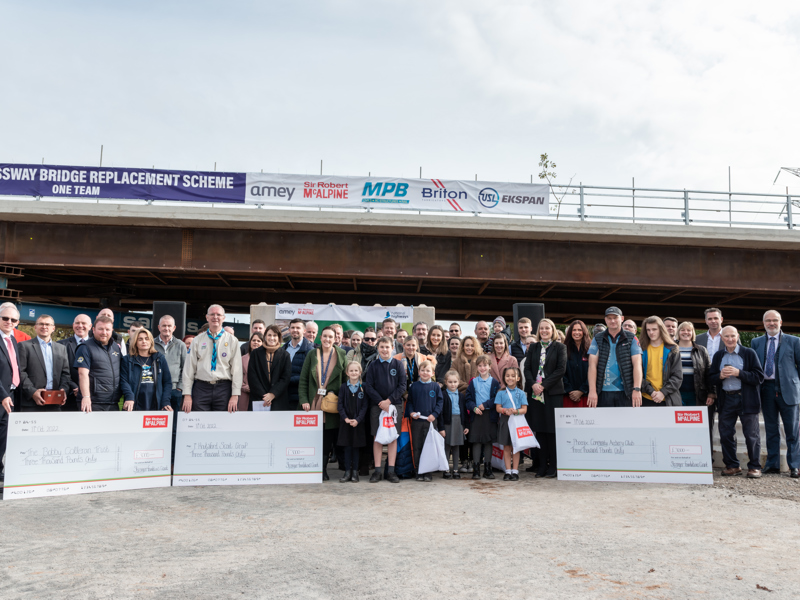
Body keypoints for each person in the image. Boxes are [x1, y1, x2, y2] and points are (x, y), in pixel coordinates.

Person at [709, 326, 764, 478]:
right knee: (725, 434)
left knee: (751, 435)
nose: (730, 339)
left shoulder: (749, 353)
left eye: (733, 336)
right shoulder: (719, 355)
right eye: (726, 336)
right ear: (722, 338)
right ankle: (732, 465)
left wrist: (738, 373)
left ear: (738, 336)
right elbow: (710, 377)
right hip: (726, 398)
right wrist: (720, 376)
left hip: (746, 398)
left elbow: (759, 377)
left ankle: (754, 466)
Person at [751, 310, 800, 478]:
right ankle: (772, 464)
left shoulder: (794, 341)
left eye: (775, 320)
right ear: (763, 323)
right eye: (768, 320)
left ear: (781, 322)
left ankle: (794, 465)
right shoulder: (756, 342)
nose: (771, 323)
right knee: (771, 429)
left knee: (792, 431)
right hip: (766, 389)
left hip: (789, 390)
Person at [299, 326, 346, 481]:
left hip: (331, 404)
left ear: (335, 339)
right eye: (325, 336)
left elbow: (345, 381)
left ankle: (323, 469)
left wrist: (341, 400)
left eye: (330, 337)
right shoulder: (312, 354)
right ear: (320, 337)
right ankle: (312, 468)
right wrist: (304, 400)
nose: (327, 339)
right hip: (313, 403)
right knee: (313, 437)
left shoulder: (341, 354)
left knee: (327, 438)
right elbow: (304, 379)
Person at [524, 318, 567, 478]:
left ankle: (553, 467)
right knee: (540, 430)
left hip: (552, 394)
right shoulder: (534, 347)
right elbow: (527, 368)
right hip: (535, 394)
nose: (544, 331)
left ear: (552, 330)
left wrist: (544, 385)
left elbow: (561, 369)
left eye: (547, 328)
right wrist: (534, 384)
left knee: (552, 431)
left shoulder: (560, 347)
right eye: (541, 328)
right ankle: (541, 466)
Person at [181, 304, 242, 413]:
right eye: (212, 314)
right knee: (200, 424)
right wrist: (187, 394)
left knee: (223, 425)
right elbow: (189, 368)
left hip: (224, 388)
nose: (215, 317)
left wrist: (235, 395)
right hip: (201, 388)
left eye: (218, 314)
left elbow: (237, 370)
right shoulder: (197, 340)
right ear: (207, 317)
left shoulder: (233, 341)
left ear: (223, 318)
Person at [364, 336, 407, 483]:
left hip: (394, 406)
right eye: (381, 347)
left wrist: (388, 401)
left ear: (392, 348)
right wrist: (381, 402)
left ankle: (391, 471)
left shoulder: (398, 365)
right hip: (377, 406)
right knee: (377, 437)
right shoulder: (373, 365)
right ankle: (377, 471)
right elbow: (368, 386)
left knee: (392, 437)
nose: (384, 350)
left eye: (387, 347)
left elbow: (402, 386)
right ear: (378, 348)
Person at [587, 307, 643, 408]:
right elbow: (592, 366)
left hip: (626, 392)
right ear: (605, 320)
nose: (612, 321)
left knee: (626, 423)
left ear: (622, 318)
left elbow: (637, 365)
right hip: (602, 392)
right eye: (609, 318)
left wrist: (637, 389)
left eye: (615, 317)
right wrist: (592, 391)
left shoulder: (631, 338)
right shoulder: (597, 338)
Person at [18, 314, 71, 412]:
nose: (44, 327)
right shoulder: (24, 346)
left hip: (55, 402)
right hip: (31, 402)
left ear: (53, 328)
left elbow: (65, 373)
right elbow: (20, 372)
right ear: (35, 327)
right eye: (41, 324)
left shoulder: (61, 349)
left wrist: (64, 390)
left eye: (48, 324)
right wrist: (32, 392)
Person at [406, 360, 444, 481]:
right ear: (419, 372)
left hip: (431, 421)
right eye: (422, 370)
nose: (425, 372)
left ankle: (428, 472)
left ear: (432, 373)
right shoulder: (414, 386)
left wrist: (435, 414)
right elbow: (410, 401)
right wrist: (411, 412)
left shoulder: (435, 386)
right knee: (417, 446)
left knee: (429, 446)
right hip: (417, 422)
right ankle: (419, 470)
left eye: (428, 370)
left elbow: (440, 402)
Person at [75, 315, 123, 412]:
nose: (104, 332)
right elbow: (82, 374)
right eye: (100, 329)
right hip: (93, 403)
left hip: (113, 402)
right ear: (93, 329)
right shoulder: (85, 347)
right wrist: (86, 397)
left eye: (107, 329)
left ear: (112, 330)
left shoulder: (115, 347)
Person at [121, 328, 172, 411]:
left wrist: (165, 401)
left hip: (155, 403)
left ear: (151, 341)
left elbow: (167, 382)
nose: (144, 341)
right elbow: (123, 381)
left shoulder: (159, 358)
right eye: (140, 339)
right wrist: (129, 396)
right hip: (134, 403)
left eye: (146, 339)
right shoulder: (127, 360)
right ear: (135, 342)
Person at [466, 354, 500, 479]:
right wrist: (474, 407)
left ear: (490, 367)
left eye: (485, 365)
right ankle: (476, 469)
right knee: (476, 442)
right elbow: (468, 399)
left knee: (488, 442)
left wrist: (485, 404)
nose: (482, 368)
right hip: (476, 416)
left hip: (489, 415)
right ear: (477, 367)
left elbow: (496, 398)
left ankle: (487, 469)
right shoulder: (473, 382)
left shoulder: (494, 382)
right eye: (480, 366)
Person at [695, 308, 723, 445]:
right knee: (706, 424)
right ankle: (708, 460)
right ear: (705, 321)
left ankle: (731, 464)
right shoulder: (698, 339)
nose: (713, 321)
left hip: (726, 387)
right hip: (705, 388)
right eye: (710, 319)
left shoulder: (730, 336)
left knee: (727, 427)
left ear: (721, 319)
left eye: (716, 318)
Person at [639, 316, 682, 407]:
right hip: (645, 398)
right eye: (648, 330)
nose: (651, 332)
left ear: (661, 329)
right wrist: (651, 392)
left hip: (668, 399)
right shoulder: (640, 349)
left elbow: (677, 376)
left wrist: (663, 392)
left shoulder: (672, 349)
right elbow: (636, 374)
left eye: (654, 329)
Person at [337, 361, 368, 482]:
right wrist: (346, 418)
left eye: (356, 371)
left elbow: (365, 406)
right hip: (346, 423)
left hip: (358, 423)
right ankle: (347, 472)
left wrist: (357, 420)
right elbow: (340, 405)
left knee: (356, 448)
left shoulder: (363, 387)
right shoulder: (344, 387)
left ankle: (355, 472)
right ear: (347, 373)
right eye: (351, 371)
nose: (354, 373)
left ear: (360, 372)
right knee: (347, 447)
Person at [495, 367, 529, 481]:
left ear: (518, 378)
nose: (510, 378)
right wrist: (505, 411)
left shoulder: (521, 393)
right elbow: (498, 408)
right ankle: (507, 471)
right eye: (507, 376)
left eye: (513, 376)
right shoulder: (501, 392)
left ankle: (515, 471)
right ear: (504, 377)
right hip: (505, 421)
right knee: (506, 447)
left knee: (516, 447)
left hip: (517, 422)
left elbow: (524, 409)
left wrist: (515, 411)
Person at [249, 325, 293, 412]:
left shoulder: (285, 355)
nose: (271, 338)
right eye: (269, 335)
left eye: (275, 335)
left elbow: (285, 378)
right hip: (259, 398)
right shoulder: (255, 353)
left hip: (278, 399)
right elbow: (252, 376)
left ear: (279, 337)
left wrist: (273, 394)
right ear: (265, 336)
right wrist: (265, 396)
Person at [0, 303, 21, 475]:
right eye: (5, 318)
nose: (9, 322)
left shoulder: (12, 339)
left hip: (11, 395)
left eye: (13, 320)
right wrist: (3, 394)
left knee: (3, 436)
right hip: (2, 395)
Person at [58, 313, 92, 412]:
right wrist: (74, 386)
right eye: (77, 323)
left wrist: (84, 390)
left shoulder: (95, 346)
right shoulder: (61, 345)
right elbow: (59, 370)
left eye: (83, 323)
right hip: (68, 397)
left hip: (90, 397)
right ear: (73, 325)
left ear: (90, 327)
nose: (80, 326)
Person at [154, 315, 187, 414]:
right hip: (156, 389)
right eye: (164, 325)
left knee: (174, 421)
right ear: (159, 327)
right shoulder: (151, 344)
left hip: (174, 389)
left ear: (174, 328)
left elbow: (185, 368)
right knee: (156, 419)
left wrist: (179, 387)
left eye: (169, 325)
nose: (166, 328)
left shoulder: (181, 345)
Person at [676, 322, 712, 410]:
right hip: (676, 392)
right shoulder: (670, 350)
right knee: (678, 421)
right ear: (678, 332)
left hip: (696, 394)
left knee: (694, 421)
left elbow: (708, 373)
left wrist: (711, 393)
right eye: (682, 330)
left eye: (689, 330)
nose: (686, 332)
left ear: (693, 333)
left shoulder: (701, 350)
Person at [440, 370, 468, 479]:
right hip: (448, 423)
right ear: (446, 382)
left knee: (456, 446)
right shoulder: (443, 395)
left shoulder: (461, 396)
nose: (453, 384)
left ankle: (455, 469)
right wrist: (441, 428)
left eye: (455, 382)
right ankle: (446, 469)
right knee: (447, 447)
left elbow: (464, 412)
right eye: (450, 382)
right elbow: (441, 413)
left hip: (458, 423)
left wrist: (465, 426)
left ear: (458, 382)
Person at [563, 320, 590, 408]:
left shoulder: (591, 349)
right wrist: (570, 391)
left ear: (584, 332)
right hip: (569, 396)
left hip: (587, 396)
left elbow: (595, 371)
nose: (576, 332)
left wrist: (582, 390)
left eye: (579, 330)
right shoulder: (563, 349)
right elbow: (560, 371)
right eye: (574, 330)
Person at [238, 332, 262, 411]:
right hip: (245, 394)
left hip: (261, 394)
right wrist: (245, 387)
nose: (256, 342)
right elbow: (237, 376)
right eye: (253, 340)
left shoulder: (267, 359)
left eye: (259, 341)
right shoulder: (242, 359)